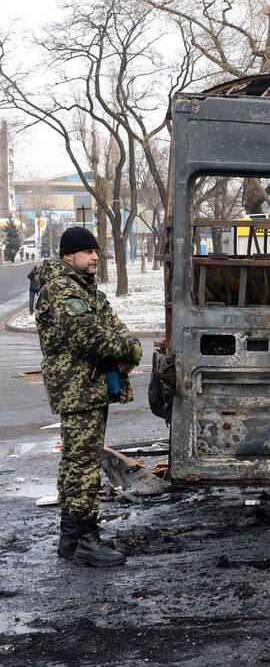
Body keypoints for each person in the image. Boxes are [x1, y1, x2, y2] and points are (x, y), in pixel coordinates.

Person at [35, 227, 141, 567]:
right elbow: (90, 336)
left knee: (77, 461)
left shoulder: (83, 287)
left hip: (88, 386)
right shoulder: (62, 288)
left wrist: (130, 345)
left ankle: (71, 538)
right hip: (78, 388)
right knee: (83, 465)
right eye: (88, 251)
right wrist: (128, 348)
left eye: (96, 251)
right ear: (69, 256)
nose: (95, 256)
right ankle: (85, 540)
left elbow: (115, 325)